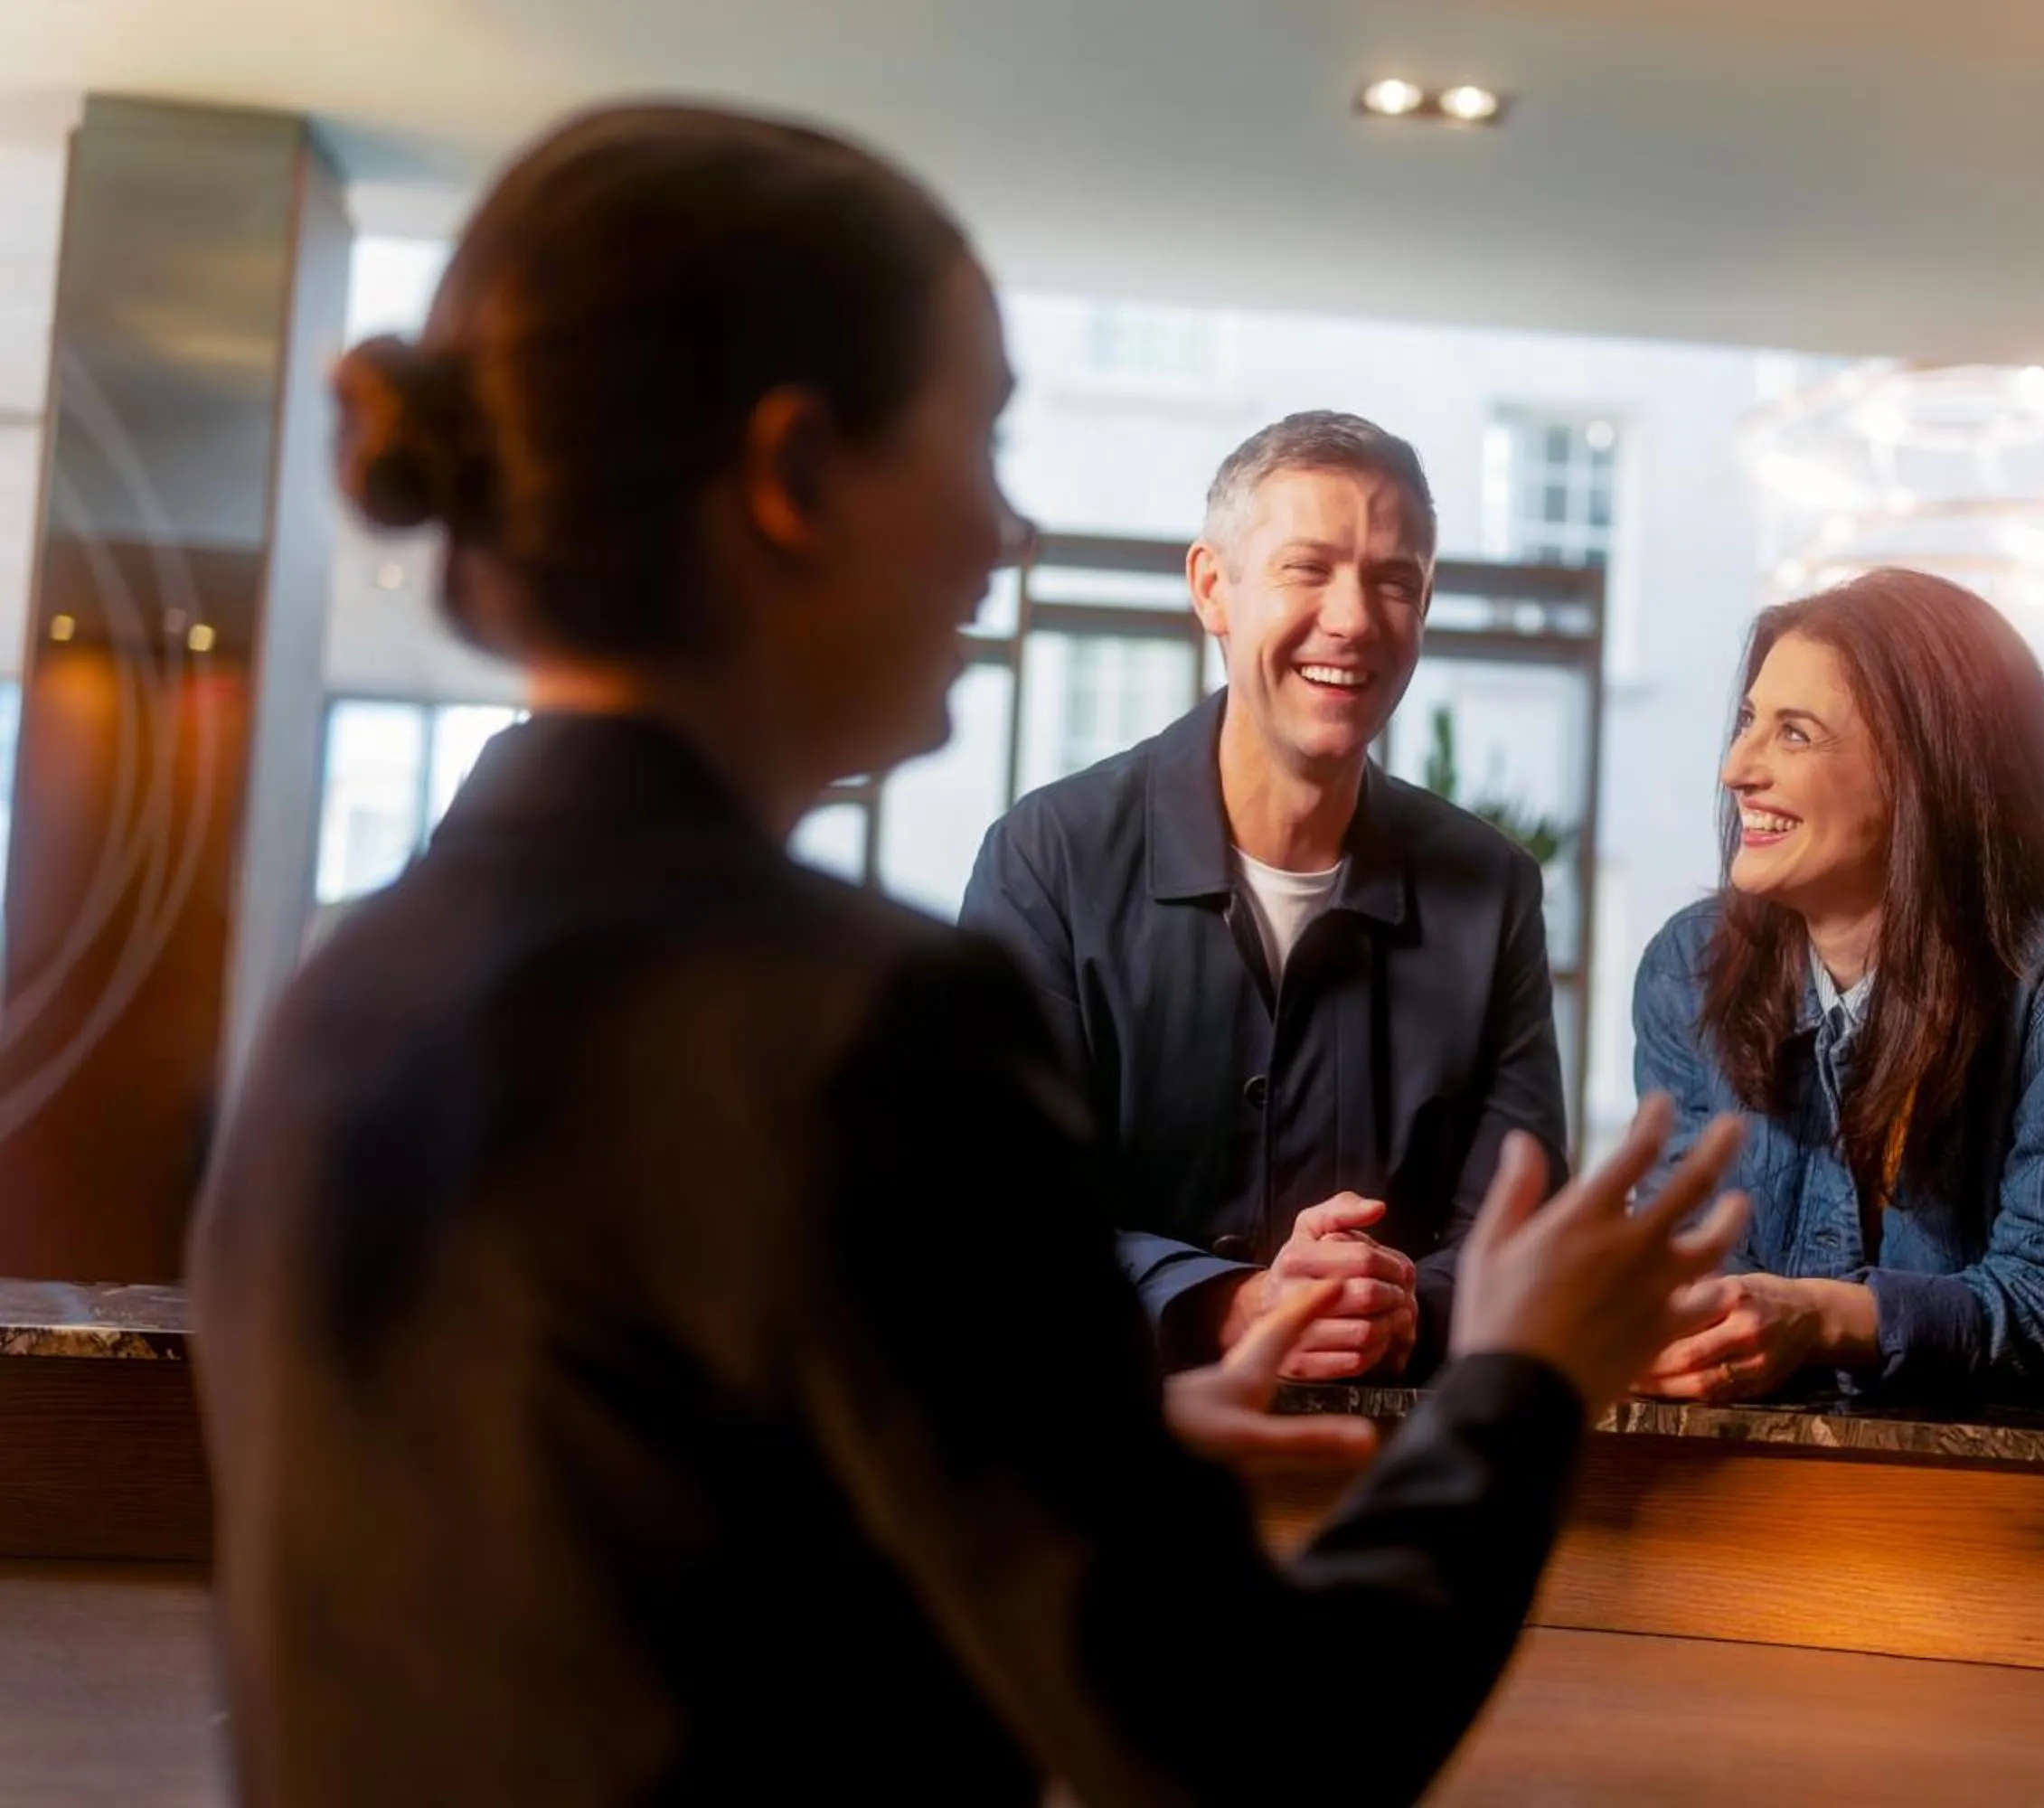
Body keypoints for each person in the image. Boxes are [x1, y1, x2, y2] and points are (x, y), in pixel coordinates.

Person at [186, 102, 1750, 1806]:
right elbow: (1260, 1747)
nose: (1003, 533)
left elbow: (616, 1588)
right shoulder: (863, 1032)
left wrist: (1085, 1453)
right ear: (792, 482)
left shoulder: (345, 990)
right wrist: (1522, 1380)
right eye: (978, 443)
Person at [960, 411, 1565, 1383]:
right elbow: (991, 1214)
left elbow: (1519, 1226)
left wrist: (1393, 1304)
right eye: (1308, 567)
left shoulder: (1493, 890)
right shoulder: (1048, 860)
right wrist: (1231, 1304)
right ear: (1213, 587)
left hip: (1388, 1489)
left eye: (1394, 579)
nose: (1355, 617)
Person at [1628, 568, 2044, 1405]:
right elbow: (1678, 1250)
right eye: (1750, 721)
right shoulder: (1687, 967)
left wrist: (1824, 1317)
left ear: (1923, 772)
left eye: (1795, 735)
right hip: (1766, 1494)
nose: (1736, 768)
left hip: (2035, 1494)